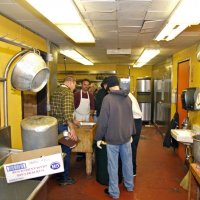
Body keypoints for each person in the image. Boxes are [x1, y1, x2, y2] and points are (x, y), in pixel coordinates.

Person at [95, 75, 135, 199]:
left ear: (109, 86)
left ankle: (114, 192)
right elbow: (130, 118)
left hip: (112, 139)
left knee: (113, 165)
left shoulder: (108, 99)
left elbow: (103, 121)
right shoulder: (127, 98)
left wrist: (98, 138)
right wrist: (131, 133)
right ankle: (129, 186)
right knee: (127, 162)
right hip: (126, 137)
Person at [50, 76, 78, 186]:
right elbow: (66, 113)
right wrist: (72, 129)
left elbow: (59, 110)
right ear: (71, 82)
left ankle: (58, 175)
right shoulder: (67, 93)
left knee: (57, 152)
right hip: (62, 127)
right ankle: (65, 178)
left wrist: (73, 120)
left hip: (53, 126)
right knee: (66, 151)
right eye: (75, 85)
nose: (74, 87)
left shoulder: (56, 91)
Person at [128, 92, 143, 176]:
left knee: (130, 147)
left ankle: (132, 170)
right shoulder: (129, 95)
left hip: (133, 122)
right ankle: (133, 170)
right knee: (133, 147)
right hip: (137, 122)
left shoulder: (125, 97)